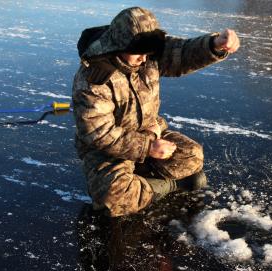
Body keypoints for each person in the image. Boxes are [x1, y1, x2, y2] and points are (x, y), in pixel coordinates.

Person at [72, 7, 240, 217]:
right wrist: (148, 146)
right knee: (112, 198)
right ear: (119, 45)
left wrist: (214, 45)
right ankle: (164, 186)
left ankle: (141, 175)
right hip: (108, 149)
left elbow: (182, 52)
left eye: (148, 52)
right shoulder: (94, 78)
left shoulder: (149, 53)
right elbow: (99, 134)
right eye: (138, 52)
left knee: (192, 156)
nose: (144, 59)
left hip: (151, 133)